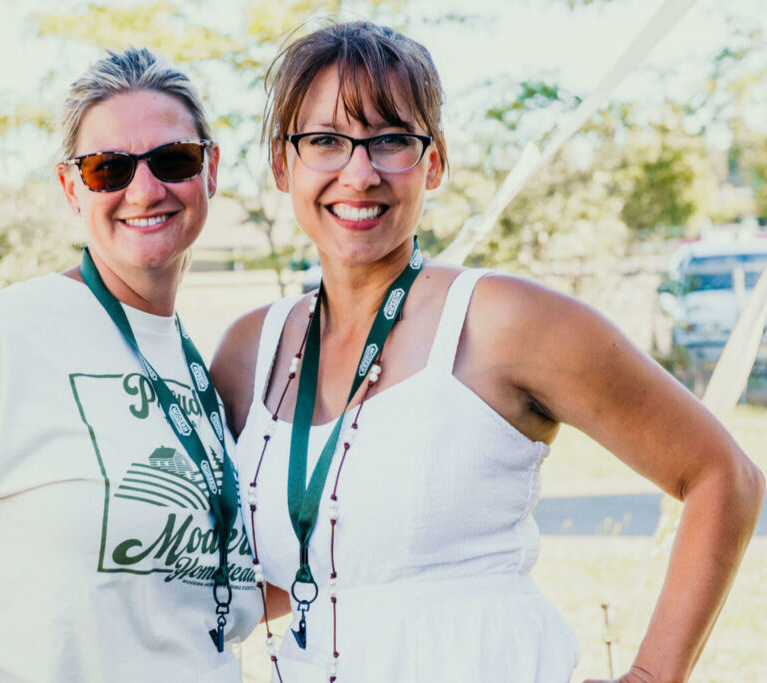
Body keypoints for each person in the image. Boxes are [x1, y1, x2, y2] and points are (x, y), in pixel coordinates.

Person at [210, 21, 765, 683]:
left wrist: (653, 674)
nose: (359, 173)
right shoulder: (250, 349)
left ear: (434, 160)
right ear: (282, 163)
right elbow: (303, 568)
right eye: (326, 141)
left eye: (391, 140)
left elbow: (722, 476)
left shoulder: (505, 319)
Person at [0, 47, 260, 682]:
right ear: (70, 187)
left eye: (173, 160)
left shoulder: (202, 371)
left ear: (210, 169)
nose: (144, 189)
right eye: (107, 168)